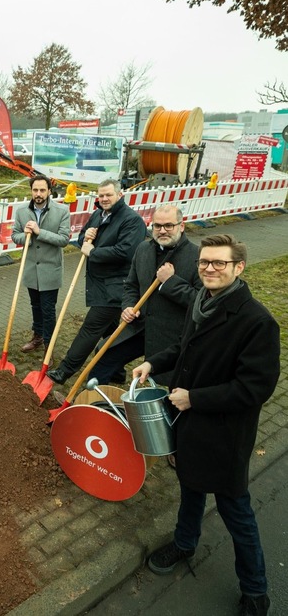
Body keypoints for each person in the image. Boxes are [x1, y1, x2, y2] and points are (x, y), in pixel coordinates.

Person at [134, 234, 279, 616]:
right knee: (190, 490)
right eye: (204, 262)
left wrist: (195, 398)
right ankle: (184, 544)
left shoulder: (256, 321)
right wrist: (153, 363)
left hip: (223, 435)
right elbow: (185, 349)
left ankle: (255, 591)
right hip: (189, 425)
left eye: (219, 263)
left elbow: (254, 388)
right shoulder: (202, 302)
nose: (209, 269)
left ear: (238, 268)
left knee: (237, 513)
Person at [46, 178, 146, 385]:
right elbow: (83, 239)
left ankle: (65, 371)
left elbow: (126, 252)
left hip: (117, 285)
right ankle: (117, 372)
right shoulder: (98, 215)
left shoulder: (131, 220)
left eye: (108, 195)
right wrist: (86, 237)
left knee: (90, 329)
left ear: (120, 195)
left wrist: (94, 251)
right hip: (98, 283)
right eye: (101, 195)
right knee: (110, 332)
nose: (104, 199)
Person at [91, 204, 202, 385]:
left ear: (181, 226)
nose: (162, 231)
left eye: (168, 225)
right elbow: (131, 285)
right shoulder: (143, 248)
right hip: (139, 327)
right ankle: (99, 401)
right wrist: (127, 306)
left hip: (171, 336)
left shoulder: (197, 257)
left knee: (168, 388)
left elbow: (200, 302)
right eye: (157, 226)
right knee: (104, 353)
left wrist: (171, 282)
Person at [11, 175, 70, 353]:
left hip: (50, 270)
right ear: (31, 191)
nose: (38, 194)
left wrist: (39, 232)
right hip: (30, 270)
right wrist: (26, 235)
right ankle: (37, 336)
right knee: (35, 306)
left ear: (49, 191)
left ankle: (48, 346)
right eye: (35, 190)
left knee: (48, 309)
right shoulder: (22, 211)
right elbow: (15, 235)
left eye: (42, 190)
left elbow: (64, 239)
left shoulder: (62, 211)